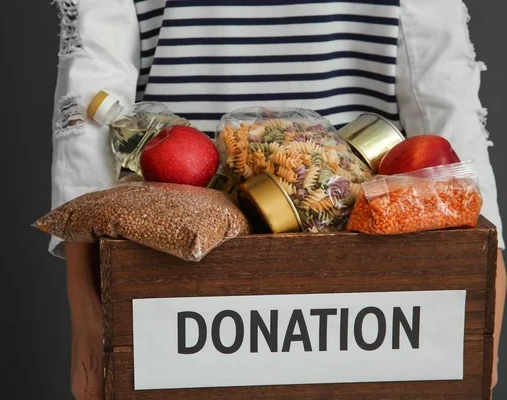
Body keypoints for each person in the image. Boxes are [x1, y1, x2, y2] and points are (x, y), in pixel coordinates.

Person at [49, 0, 506, 398]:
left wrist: (487, 280)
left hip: (369, 245)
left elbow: (440, 83)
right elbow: (92, 84)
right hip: (170, 248)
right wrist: (86, 296)